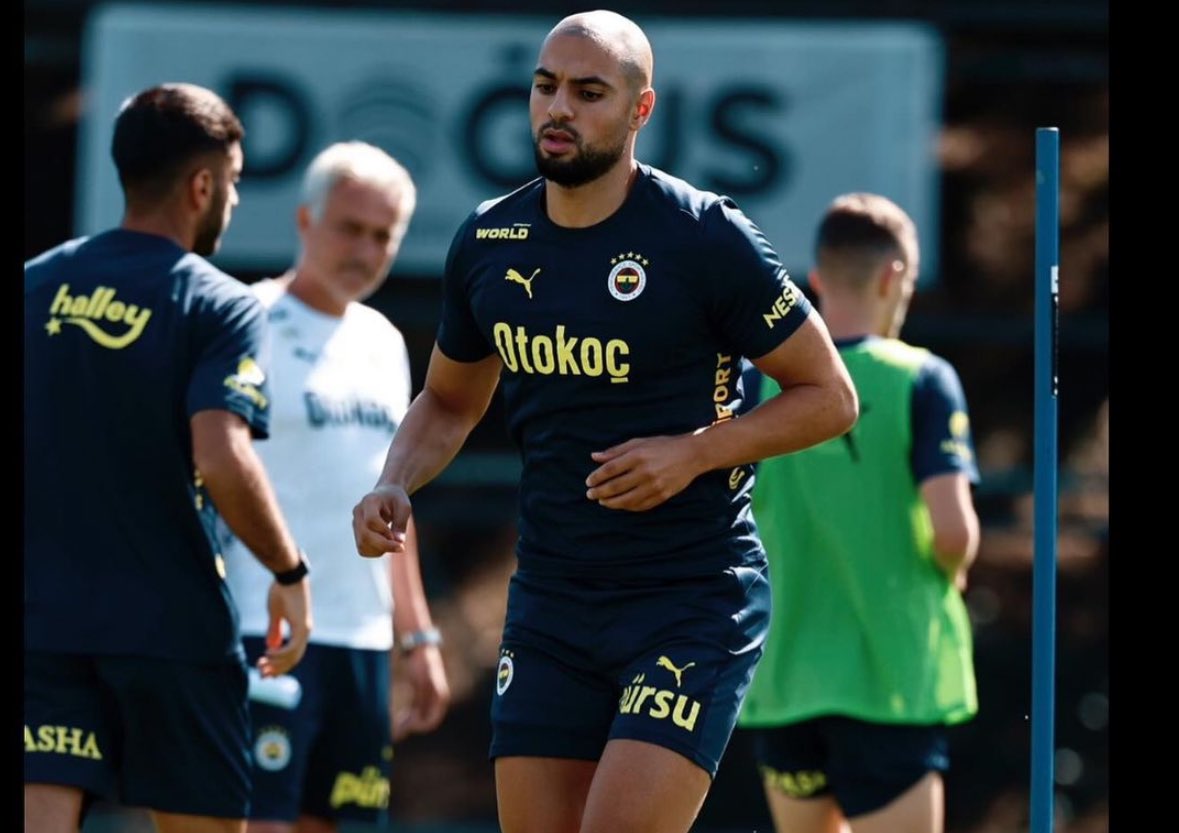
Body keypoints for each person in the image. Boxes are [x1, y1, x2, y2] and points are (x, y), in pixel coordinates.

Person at [352, 11, 858, 833]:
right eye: (546, 86)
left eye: (589, 92)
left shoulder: (702, 235)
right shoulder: (489, 239)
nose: (559, 108)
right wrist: (393, 480)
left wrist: (693, 453)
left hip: (690, 596)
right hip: (552, 601)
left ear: (639, 110)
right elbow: (449, 399)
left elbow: (828, 394)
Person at [24, 82, 313, 833]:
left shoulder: (33, 285)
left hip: (42, 625)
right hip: (172, 629)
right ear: (202, 184)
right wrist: (288, 570)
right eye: (237, 184)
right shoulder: (219, 302)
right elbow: (221, 455)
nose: (235, 202)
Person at [219, 140, 450, 833]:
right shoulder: (243, 320)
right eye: (350, 227)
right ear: (303, 220)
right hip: (264, 630)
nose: (367, 248)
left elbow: (388, 499)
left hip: (362, 641)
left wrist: (418, 635)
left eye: (384, 235)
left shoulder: (382, 341)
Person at [737, 192, 981, 833]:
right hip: (888, 677)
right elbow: (953, 531)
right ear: (892, 276)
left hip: (783, 680)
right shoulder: (920, 378)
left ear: (816, 280)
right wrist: (952, 565)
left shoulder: (756, 383)